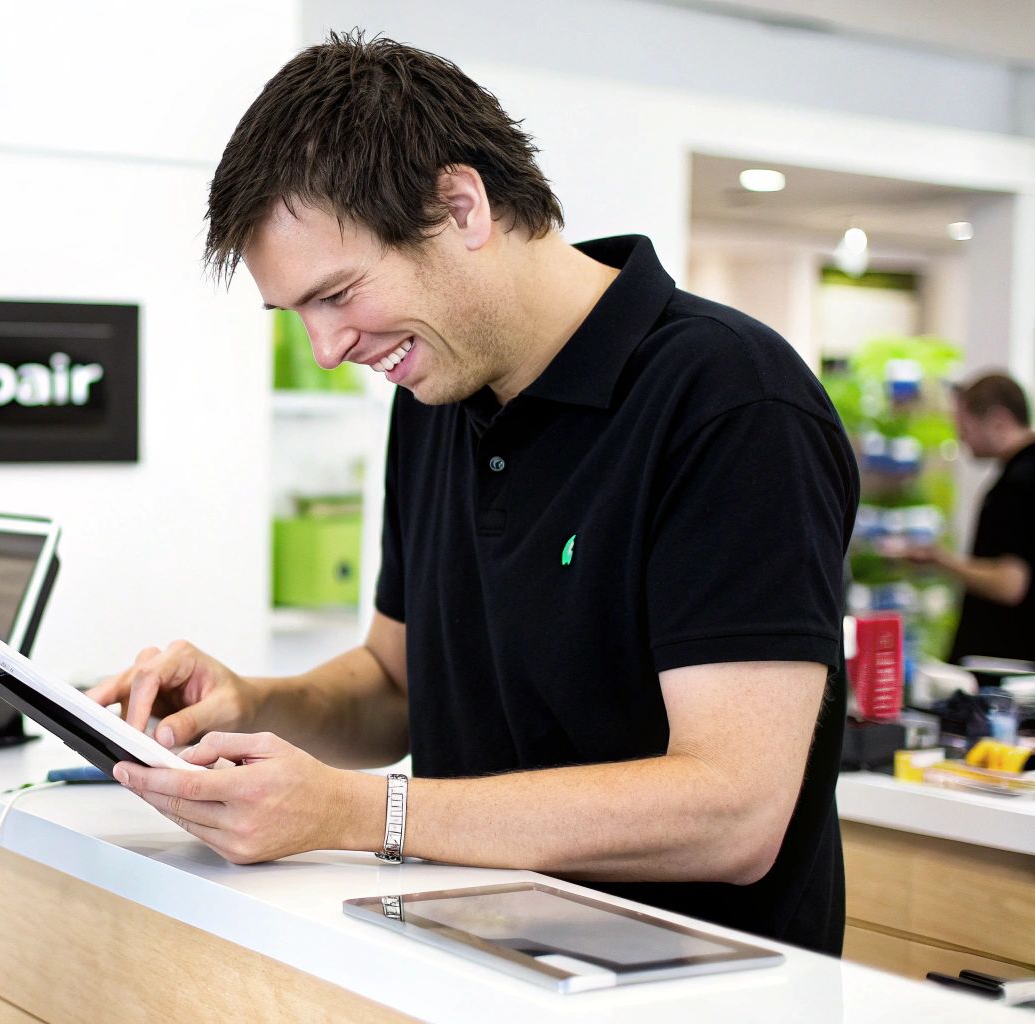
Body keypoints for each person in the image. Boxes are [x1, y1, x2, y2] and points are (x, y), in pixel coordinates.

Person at [87, 32, 857, 954]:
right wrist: (253, 704)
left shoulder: (730, 399)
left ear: (461, 206)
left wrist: (358, 811)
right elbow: (394, 686)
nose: (328, 348)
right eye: (298, 315)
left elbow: (734, 812)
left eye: (338, 294)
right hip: (472, 963)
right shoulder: (435, 393)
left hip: (690, 990)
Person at [909, 372, 1035, 663]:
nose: (961, 438)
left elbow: (1010, 583)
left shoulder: (1018, 483)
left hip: (1004, 665)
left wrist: (940, 561)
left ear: (999, 421)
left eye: (964, 427)